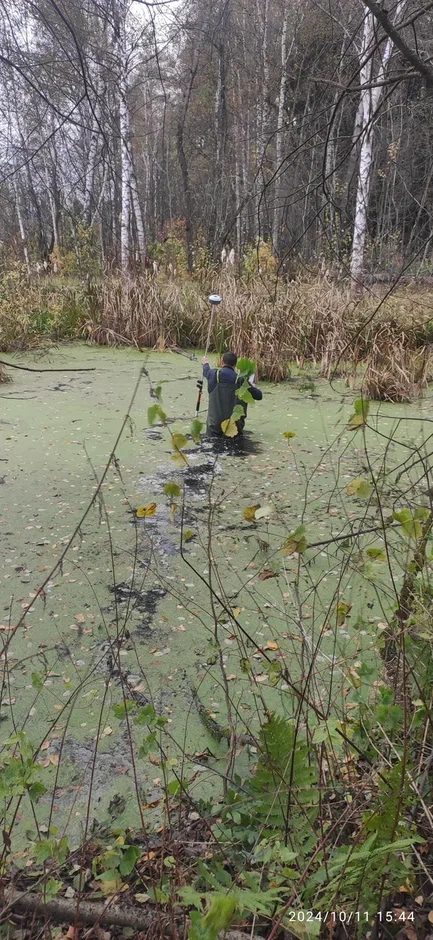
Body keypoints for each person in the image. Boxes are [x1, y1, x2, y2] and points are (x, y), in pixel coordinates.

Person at [202, 351, 262, 436]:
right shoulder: (241, 380)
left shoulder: (213, 375)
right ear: (235, 365)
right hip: (235, 429)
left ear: (222, 362)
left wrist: (205, 363)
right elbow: (259, 396)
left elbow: (206, 371)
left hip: (214, 428)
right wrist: (252, 387)